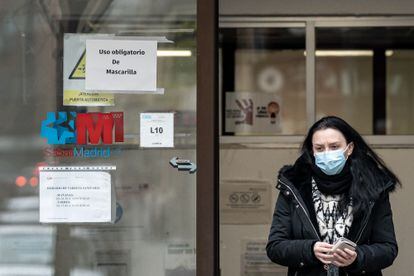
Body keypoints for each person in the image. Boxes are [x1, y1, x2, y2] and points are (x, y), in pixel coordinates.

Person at [266, 116, 400, 276]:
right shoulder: (294, 187)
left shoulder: (373, 188)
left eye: (334, 146)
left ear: (349, 148)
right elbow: (275, 247)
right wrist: (309, 250)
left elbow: (388, 248)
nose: (327, 154)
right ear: (312, 151)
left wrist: (358, 258)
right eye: (320, 148)